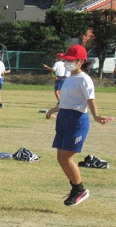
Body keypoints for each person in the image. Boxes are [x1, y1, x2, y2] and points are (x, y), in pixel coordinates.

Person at [46, 45, 109, 207]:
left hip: (76, 120)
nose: (67, 62)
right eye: (66, 59)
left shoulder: (84, 79)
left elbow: (90, 99)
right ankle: (76, 189)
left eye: (70, 60)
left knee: (66, 157)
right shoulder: (69, 78)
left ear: (80, 62)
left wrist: (95, 116)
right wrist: (52, 110)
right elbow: (66, 102)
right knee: (61, 158)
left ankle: (79, 189)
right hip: (64, 118)